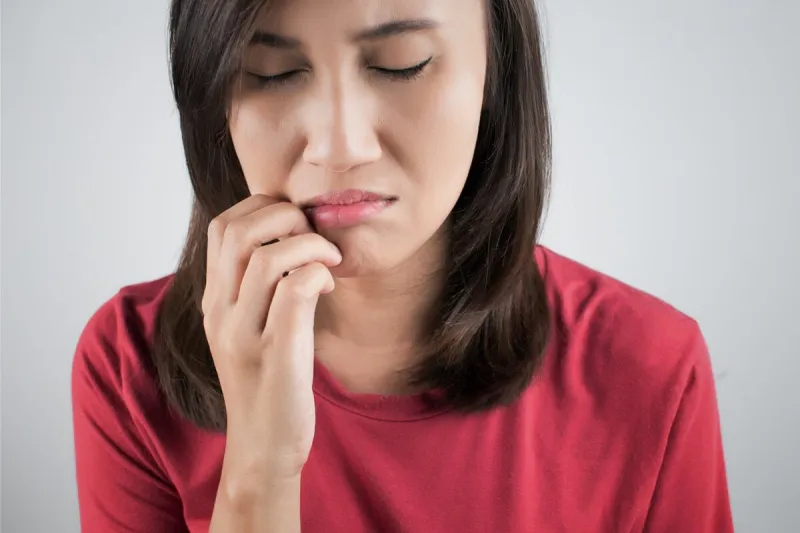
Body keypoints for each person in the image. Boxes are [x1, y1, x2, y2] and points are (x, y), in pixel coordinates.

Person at [71, 0, 734, 531]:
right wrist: (259, 470)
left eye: (400, 64)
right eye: (270, 73)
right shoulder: (129, 363)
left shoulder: (650, 366)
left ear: (493, 73)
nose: (339, 146)